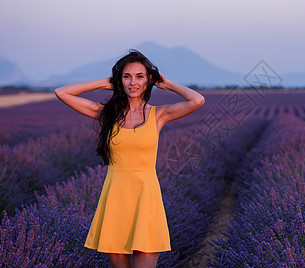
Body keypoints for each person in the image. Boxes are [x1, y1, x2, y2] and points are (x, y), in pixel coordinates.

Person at [54, 49, 205, 268]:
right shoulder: (107, 113)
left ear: (149, 80)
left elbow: (197, 100)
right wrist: (104, 83)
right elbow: (62, 92)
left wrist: (168, 83)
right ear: (120, 80)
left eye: (139, 76)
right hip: (116, 199)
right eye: (127, 76)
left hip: (146, 198)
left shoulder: (159, 115)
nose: (133, 82)